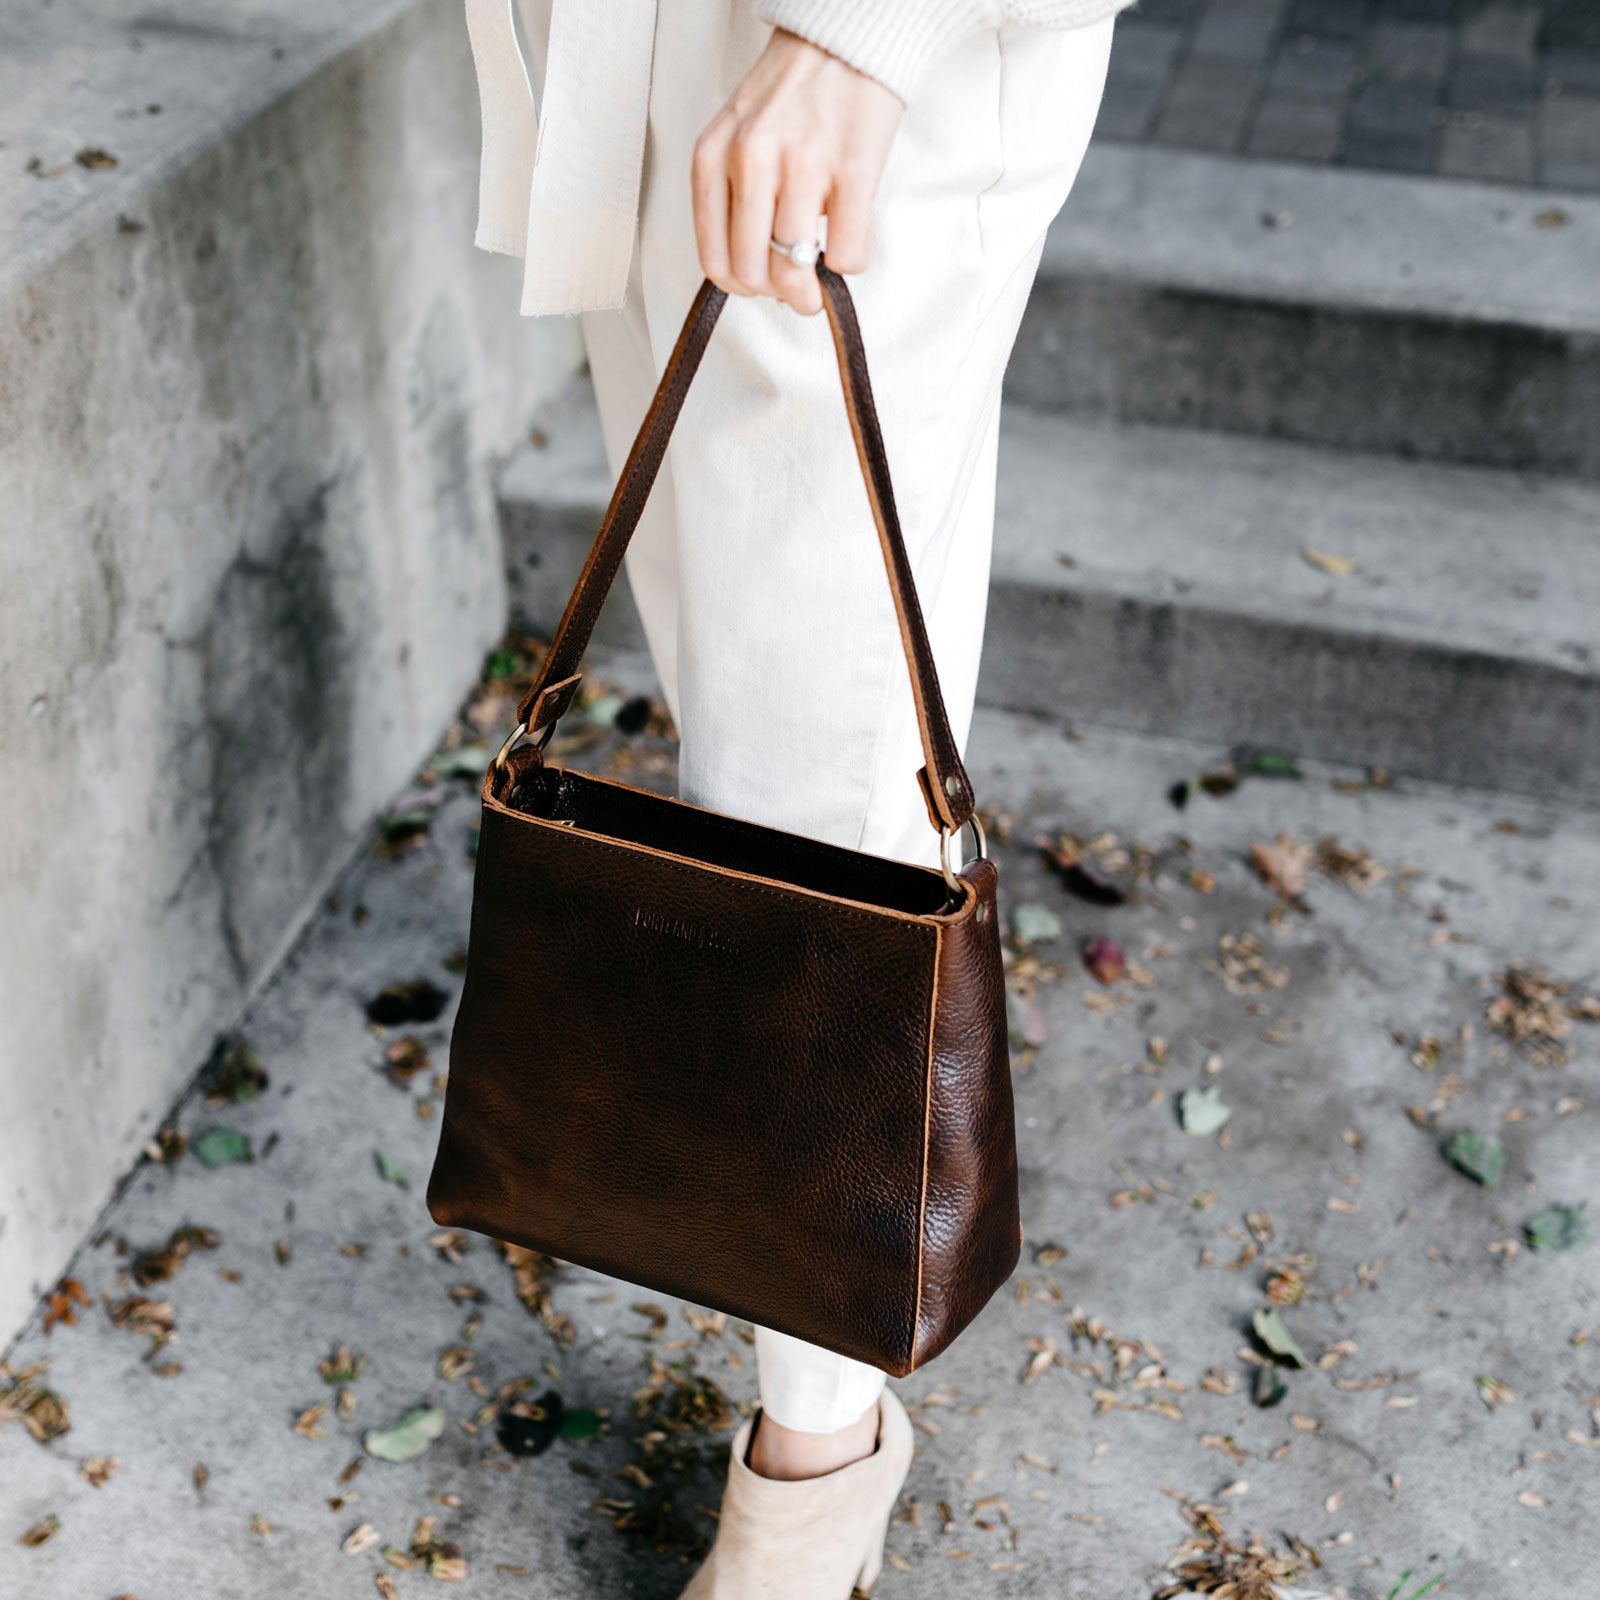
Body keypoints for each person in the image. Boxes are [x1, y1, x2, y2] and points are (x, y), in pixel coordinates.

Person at [463, 2, 1130, 1593]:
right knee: (735, 704)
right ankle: (816, 1400)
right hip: (621, 42)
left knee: (814, 776)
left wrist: (861, 35)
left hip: (839, 50)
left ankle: (817, 1458)